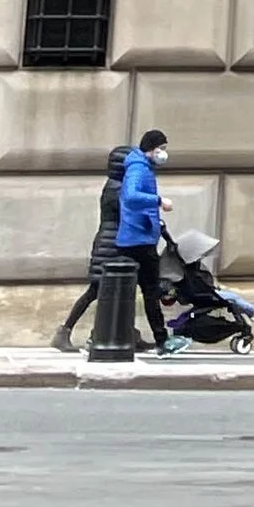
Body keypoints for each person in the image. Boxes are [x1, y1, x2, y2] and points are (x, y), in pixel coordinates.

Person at [50, 130, 181, 356]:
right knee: (100, 290)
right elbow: (129, 210)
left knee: (119, 290)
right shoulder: (118, 188)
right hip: (112, 245)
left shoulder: (115, 184)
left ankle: (126, 332)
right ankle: (69, 331)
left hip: (112, 241)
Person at [115, 128, 184, 357]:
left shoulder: (141, 167)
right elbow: (130, 196)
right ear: (151, 149)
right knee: (150, 293)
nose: (164, 154)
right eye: (161, 149)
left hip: (138, 237)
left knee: (125, 292)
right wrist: (158, 200)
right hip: (139, 241)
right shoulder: (138, 169)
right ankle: (162, 342)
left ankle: (109, 334)